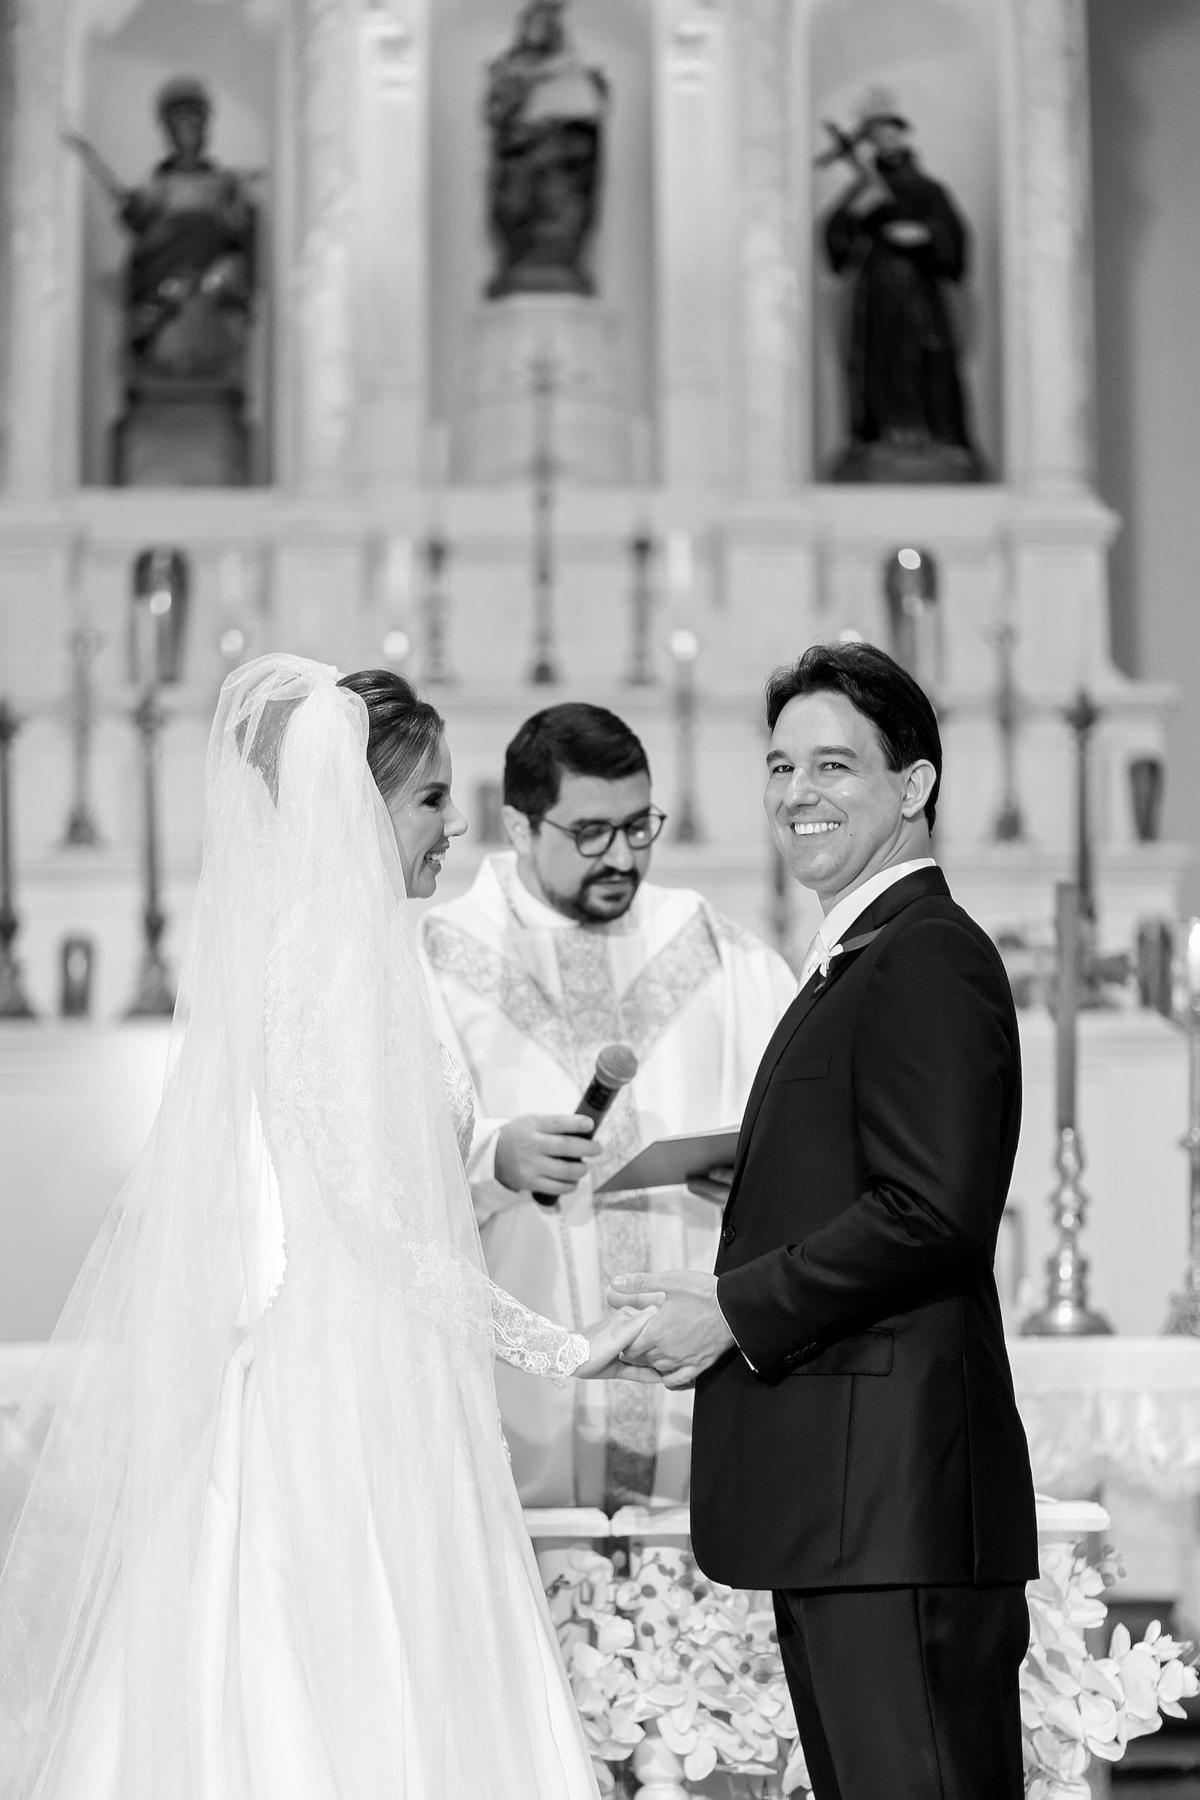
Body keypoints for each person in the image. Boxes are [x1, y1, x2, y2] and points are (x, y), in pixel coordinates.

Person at [0, 656, 646, 1799]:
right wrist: (562, 1346)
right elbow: (380, 1227)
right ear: (357, 805)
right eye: (432, 798)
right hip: (347, 1393)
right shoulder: (323, 967)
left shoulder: (372, 957)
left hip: (405, 1376)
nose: (456, 824)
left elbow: (411, 1175)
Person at [612, 642, 1038, 1800]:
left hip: (893, 1512)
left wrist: (731, 1310)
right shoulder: (860, 955)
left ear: (914, 785)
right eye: (780, 765)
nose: (797, 792)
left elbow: (933, 1212)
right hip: (853, 1517)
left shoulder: (927, 954)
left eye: (834, 765)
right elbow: (890, 1174)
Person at [417, 703, 796, 1510]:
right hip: (523, 1396)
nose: (622, 856)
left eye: (638, 826)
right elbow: (382, 1169)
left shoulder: (718, 951)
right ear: (519, 828)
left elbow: (804, 1120)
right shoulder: (438, 960)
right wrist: (496, 1158)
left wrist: (766, 1178)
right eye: (591, 833)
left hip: (694, 1402)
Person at [821, 105, 985, 482]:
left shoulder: (929, 191)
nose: (887, 143)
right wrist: (857, 212)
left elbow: (954, 238)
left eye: (892, 135)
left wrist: (925, 234)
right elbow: (836, 240)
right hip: (877, 293)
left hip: (919, 291)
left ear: (903, 138)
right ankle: (882, 435)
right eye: (879, 137)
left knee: (925, 356)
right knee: (881, 359)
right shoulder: (864, 189)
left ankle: (935, 437)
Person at [483, 0, 609, 299]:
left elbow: (590, 121)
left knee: (561, 215)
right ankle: (520, 259)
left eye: (546, 25)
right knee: (517, 210)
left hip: (562, 167)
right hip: (520, 162)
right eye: (534, 25)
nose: (539, 32)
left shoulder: (574, 69)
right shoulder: (508, 69)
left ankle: (560, 262)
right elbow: (496, 115)